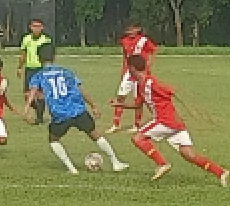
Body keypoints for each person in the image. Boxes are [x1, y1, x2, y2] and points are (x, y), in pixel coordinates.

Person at [114, 55, 230, 186]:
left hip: (165, 120)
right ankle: (221, 172)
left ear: (132, 68)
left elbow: (174, 91)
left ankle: (162, 164)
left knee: (138, 138)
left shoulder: (151, 82)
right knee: (188, 154)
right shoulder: (141, 85)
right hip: (175, 123)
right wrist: (119, 104)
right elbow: (138, 105)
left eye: (128, 69)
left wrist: (192, 109)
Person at [25, 43, 128, 175]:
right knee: (95, 134)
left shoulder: (39, 75)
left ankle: (72, 168)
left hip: (60, 114)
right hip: (78, 109)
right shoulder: (66, 71)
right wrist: (93, 105)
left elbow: (33, 92)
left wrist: (27, 108)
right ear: (54, 57)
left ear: (38, 58)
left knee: (53, 139)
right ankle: (115, 162)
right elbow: (81, 90)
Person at [108, 24, 157, 133]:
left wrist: (148, 65)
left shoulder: (143, 40)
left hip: (140, 73)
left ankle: (136, 125)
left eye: (131, 29)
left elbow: (153, 50)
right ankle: (116, 124)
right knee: (120, 96)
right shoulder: (124, 41)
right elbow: (125, 57)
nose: (129, 31)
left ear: (138, 30)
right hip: (129, 73)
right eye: (127, 29)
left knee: (138, 99)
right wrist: (123, 70)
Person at [17, 19, 52, 125]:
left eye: (38, 26)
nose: (36, 28)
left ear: (42, 28)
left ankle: (39, 118)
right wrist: (19, 67)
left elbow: (50, 56)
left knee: (40, 94)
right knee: (27, 95)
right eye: (34, 26)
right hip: (29, 69)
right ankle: (38, 110)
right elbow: (23, 54)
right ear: (30, 27)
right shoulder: (26, 39)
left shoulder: (46, 40)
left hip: (41, 69)